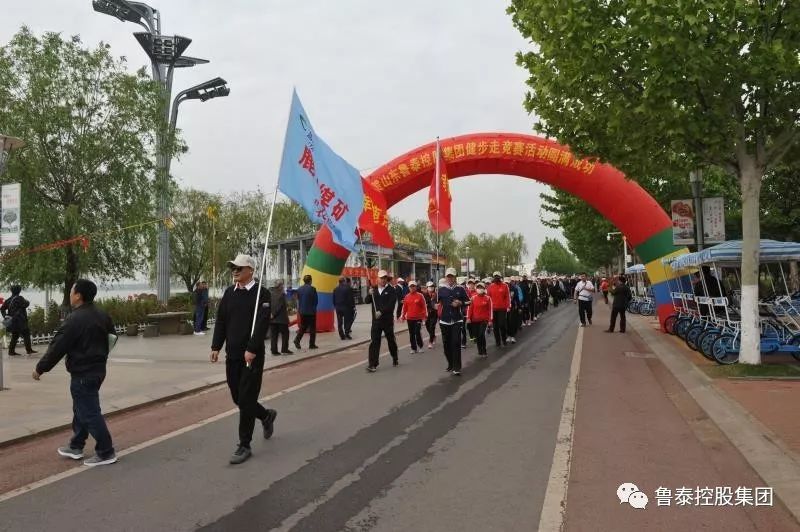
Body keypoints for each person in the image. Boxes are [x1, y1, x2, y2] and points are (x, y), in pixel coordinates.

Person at [32, 279, 117, 466]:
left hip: (83, 372)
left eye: (72, 291)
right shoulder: (102, 315)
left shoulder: (75, 319)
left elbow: (58, 347)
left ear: (78, 295)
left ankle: (106, 451)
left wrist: (40, 368)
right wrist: (100, 354)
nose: (70, 294)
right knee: (81, 408)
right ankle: (76, 445)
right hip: (98, 369)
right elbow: (112, 338)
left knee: (89, 412)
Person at [210, 254, 277, 465]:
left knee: (246, 399)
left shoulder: (262, 294)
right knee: (238, 398)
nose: (235, 271)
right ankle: (265, 415)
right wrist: (216, 346)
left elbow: (262, 324)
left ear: (251, 270)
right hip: (233, 355)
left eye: (239, 268)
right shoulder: (229, 293)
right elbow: (221, 321)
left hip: (251, 356)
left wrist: (252, 348)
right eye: (233, 268)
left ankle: (244, 444)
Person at [364, 270, 399, 372]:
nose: (383, 280)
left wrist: (381, 312)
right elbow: (366, 301)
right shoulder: (373, 289)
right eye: (381, 278)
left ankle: (395, 356)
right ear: (377, 279)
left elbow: (391, 305)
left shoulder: (391, 290)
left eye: (384, 278)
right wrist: (369, 294)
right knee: (374, 342)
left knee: (391, 340)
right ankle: (372, 364)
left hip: (387, 321)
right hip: (376, 321)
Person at [438, 268, 469, 375]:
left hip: (457, 320)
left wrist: (460, 303)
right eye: (448, 276)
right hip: (444, 320)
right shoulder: (441, 290)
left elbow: (468, 301)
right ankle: (450, 364)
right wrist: (434, 305)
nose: (450, 278)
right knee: (446, 345)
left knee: (456, 343)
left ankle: (457, 367)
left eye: (452, 276)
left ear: (455, 277)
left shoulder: (460, 289)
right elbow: (434, 301)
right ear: (445, 277)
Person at [1, 285, 36, 356]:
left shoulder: (8, 300)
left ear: (11, 291)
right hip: (21, 320)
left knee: (15, 336)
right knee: (26, 334)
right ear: (19, 291)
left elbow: (2, 309)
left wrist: (5, 316)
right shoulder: (20, 298)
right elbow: (26, 304)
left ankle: (11, 351)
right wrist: (27, 301)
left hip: (12, 321)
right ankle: (29, 350)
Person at [400, 281, 427, 353]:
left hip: (418, 318)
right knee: (411, 334)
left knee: (417, 332)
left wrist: (424, 316)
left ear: (416, 287)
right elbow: (404, 308)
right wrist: (402, 316)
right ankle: (413, 348)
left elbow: (424, 306)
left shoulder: (420, 296)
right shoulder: (406, 296)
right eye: (410, 286)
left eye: (413, 286)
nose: (412, 288)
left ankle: (420, 346)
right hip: (409, 318)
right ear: (409, 288)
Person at [467, 282, 492, 357]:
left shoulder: (488, 298)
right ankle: (480, 350)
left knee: (481, 335)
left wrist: (490, 320)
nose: (480, 289)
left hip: (484, 320)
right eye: (478, 287)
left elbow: (490, 310)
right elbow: (470, 309)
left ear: (484, 289)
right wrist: (468, 318)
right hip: (475, 320)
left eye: (481, 288)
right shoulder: (473, 298)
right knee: (477, 336)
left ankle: (484, 351)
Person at [293, 274, 319, 350]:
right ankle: (312, 344)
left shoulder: (299, 289)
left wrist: (299, 310)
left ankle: (297, 340)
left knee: (303, 327)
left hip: (302, 312)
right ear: (310, 281)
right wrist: (314, 309)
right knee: (312, 328)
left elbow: (298, 300)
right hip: (311, 312)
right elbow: (316, 301)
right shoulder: (313, 289)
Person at [487, 272, 510, 347]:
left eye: (497, 276)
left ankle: (504, 339)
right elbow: (488, 298)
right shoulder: (490, 286)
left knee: (502, 325)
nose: (496, 278)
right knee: (495, 327)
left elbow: (507, 297)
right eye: (495, 276)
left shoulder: (505, 286)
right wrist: (487, 308)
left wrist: (508, 306)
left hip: (502, 309)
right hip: (493, 309)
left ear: (500, 277)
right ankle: (498, 341)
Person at [269, 279, 292, 355]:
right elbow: (279, 306)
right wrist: (273, 314)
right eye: (282, 285)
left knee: (274, 335)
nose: (283, 286)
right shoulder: (281, 294)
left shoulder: (270, 293)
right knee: (285, 334)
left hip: (272, 319)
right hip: (281, 319)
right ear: (280, 286)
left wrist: (270, 314)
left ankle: (274, 351)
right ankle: (284, 349)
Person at [423, 281, 438, 349]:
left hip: (434, 313)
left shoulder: (436, 295)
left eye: (432, 286)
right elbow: (423, 303)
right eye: (429, 287)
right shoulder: (424, 295)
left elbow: (438, 303)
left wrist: (435, 302)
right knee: (427, 326)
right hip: (427, 313)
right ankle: (433, 336)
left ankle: (430, 342)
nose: (431, 288)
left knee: (432, 327)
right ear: (427, 288)